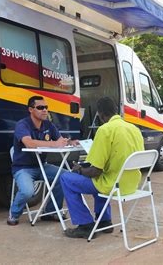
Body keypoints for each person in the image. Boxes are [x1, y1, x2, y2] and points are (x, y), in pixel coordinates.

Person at [60, 96, 144, 239]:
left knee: (66, 178)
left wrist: (79, 169)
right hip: (131, 185)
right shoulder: (134, 129)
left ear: (100, 114)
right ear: (116, 111)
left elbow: (94, 171)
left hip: (114, 186)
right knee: (103, 177)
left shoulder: (105, 130)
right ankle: (104, 221)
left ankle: (85, 225)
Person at [7, 96, 77, 226]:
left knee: (64, 176)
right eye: (40, 107)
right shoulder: (22, 124)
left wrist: (70, 142)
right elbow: (29, 143)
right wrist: (54, 144)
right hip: (23, 168)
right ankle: (14, 213)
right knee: (28, 192)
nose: (44, 110)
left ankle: (50, 211)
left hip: (41, 166)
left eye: (46, 107)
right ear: (30, 109)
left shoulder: (49, 124)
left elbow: (60, 140)